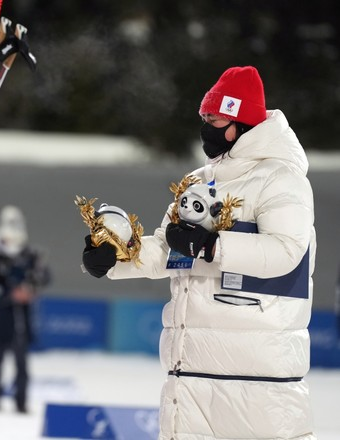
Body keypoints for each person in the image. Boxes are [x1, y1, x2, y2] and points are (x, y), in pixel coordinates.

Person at [81, 66, 316, 440]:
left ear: (240, 121)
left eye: (214, 117)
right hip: (190, 371)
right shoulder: (198, 181)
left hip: (258, 381)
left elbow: (286, 251)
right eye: (203, 117)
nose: (205, 125)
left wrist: (211, 245)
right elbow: (168, 248)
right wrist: (116, 259)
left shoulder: (280, 179)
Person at [0, 205, 51, 413]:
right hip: (0, 317)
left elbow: (44, 277)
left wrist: (30, 289)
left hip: (21, 318)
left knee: (22, 363)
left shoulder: (29, 255)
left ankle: (21, 401)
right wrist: (10, 295)